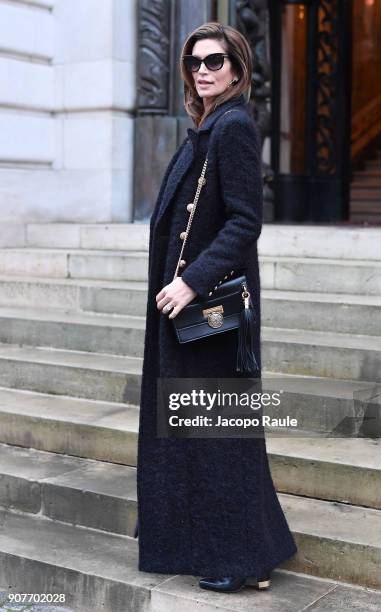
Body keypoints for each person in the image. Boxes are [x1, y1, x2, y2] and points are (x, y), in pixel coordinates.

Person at [135, 21, 298, 593]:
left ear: (237, 68)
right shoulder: (205, 128)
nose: (204, 70)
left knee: (219, 435)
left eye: (215, 61)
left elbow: (244, 222)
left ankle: (242, 555)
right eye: (196, 62)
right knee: (202, 431)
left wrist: (193, 283)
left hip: (209, 312)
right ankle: (235, 542)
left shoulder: (232, 128)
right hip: (188, 313)